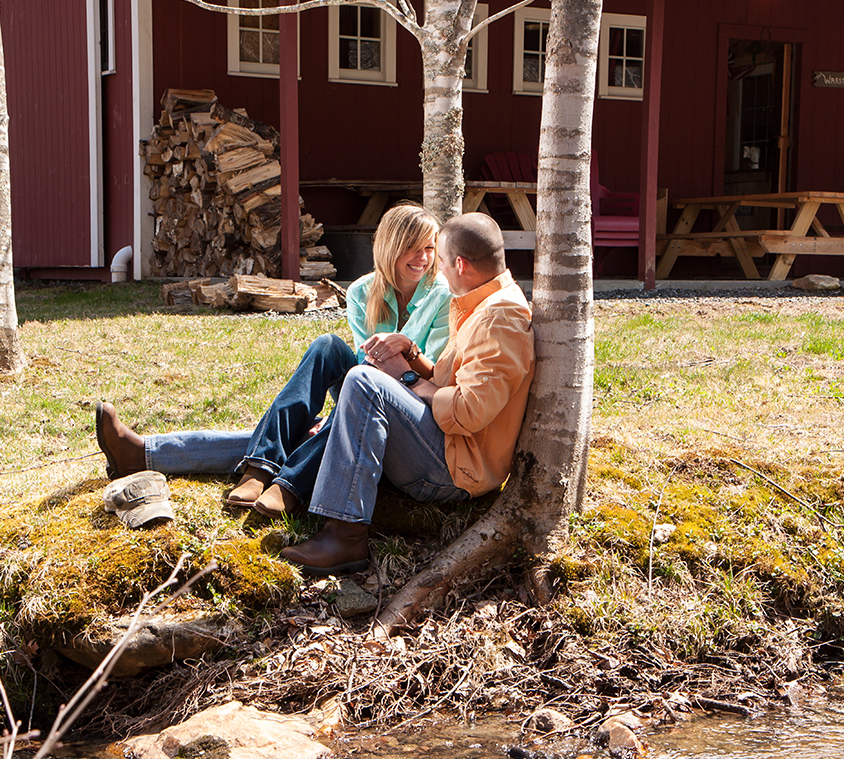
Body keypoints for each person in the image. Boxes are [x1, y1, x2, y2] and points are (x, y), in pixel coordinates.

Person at [95, 203, 452, 517]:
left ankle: (277, 478)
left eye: (429, 249)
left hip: (410, 408)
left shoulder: (443, 296)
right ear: (390, 247)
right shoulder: (363, 290)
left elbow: (432, 374)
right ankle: (259, 468)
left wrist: (400, 358)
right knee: (328, 346)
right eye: (411, 247)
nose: (423, 257)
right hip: (366, 388)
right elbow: (363, 360)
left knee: (311, 431)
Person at [279, 212, 535, 576]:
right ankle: (255, 464)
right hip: (448, 445)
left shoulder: (498, 318)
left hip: (459, 470)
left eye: (440, 259)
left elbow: (469, 412)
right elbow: (453, 382)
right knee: (353, 374)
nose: (438, 270)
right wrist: (413, 355)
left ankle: (345, 535)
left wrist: (408, 378)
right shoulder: (482, 305)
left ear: (459, 264)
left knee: (364, 381)